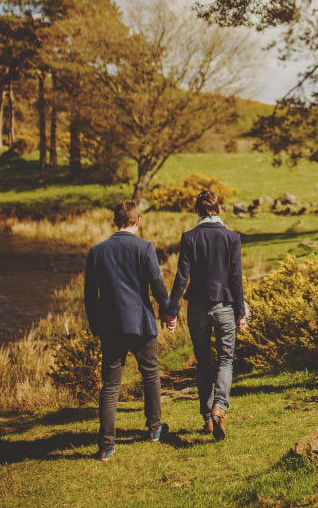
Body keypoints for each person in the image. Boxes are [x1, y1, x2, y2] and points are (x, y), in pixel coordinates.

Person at [83, 200, 170, 460]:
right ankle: (154, 429)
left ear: (115, 220)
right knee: (150, 375)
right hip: (141, 323)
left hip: (110, 327)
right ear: (137, 220)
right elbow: (157, 285)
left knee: (110, 386)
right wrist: (167, 310)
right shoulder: (144, 248)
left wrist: (95, 325)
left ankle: (106, 446)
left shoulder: (97, 251)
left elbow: (89, 295)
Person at [162, 189, 246, 441]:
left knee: (203, 362)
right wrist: (241, 312)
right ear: (219, 209)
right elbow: (235, 279)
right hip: (224, 306)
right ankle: (220, 405)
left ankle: (208, 419)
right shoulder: (232, 238)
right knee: (225, 360)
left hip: (197, 306)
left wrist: (172, 309)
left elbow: (181, 277)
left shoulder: (189, 237)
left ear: (197, 211)